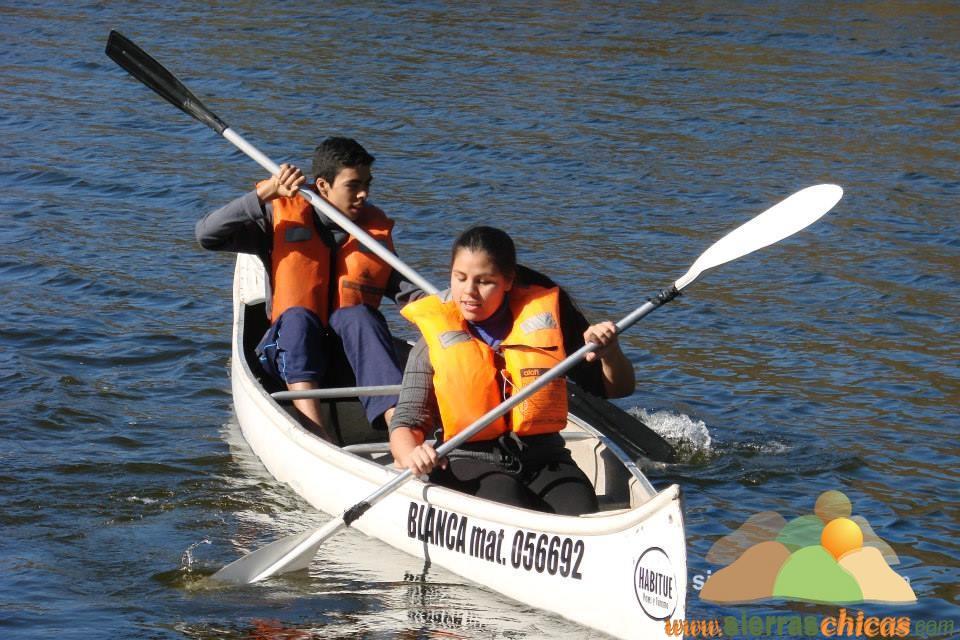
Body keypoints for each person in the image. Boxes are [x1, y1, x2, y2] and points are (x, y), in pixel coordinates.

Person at [389, 226, 635, 515]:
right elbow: (404, 423)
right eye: (460, 278)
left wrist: (611, 352)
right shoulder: (432, 343)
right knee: (509, 500)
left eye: (484, 281)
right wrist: (411, 454)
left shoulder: (549, 327)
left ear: (507, 281)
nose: (469, 291)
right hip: (468, 460)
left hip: (544, 458)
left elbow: (618, 389)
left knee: (580, 506)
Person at [196, 137, 421, 442]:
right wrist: (265, 193)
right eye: (353, 185)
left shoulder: (370, 233)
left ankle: (400, 429)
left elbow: (412, 294)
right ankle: (314, 432)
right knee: (299, 318)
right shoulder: (277, 218)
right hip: (288, 357)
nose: (364, 194)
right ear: (323, 186)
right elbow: (207, 235)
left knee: (359, 317)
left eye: (367, 184)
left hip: (348, 361)